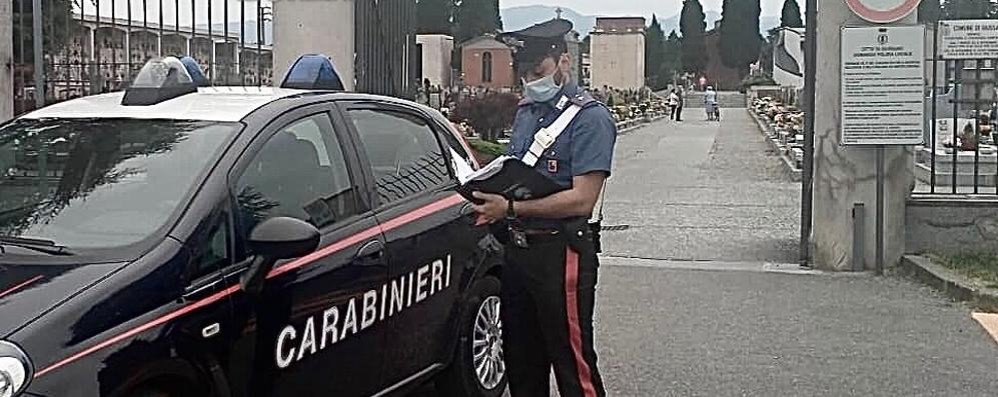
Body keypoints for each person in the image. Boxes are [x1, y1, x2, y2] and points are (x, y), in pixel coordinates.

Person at [471, 18, 613, 397]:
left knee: (573, 365)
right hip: (518, 253)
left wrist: (511, 208)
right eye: (526, 73)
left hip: (560, 252)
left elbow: (583, 197)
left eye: (539, 71)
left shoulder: (590, 118)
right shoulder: (527, 112)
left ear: (563, 63)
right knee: (521, 362)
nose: (532, 80)